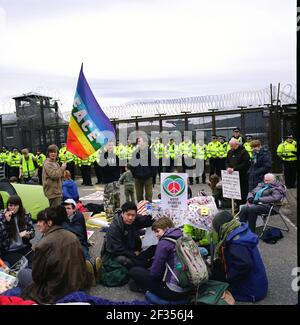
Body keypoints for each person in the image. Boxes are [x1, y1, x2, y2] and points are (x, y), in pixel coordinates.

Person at [19, 207, 89, 304]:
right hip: (76, 283)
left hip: (55, 291)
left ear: (50, 223)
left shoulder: (42, 245)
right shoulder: (72, 236)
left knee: (22, 273)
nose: (37, 225)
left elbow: (37, 277)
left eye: (40, 221)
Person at [211, 211, 268, 302]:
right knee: (218, 268)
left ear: (221, 228)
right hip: (257, 282)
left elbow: (243, 265)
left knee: (216, 282)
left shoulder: (236, 243)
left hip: (252, 291)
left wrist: (228, 277)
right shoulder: (240, 230)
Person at [129, 217, 190, 301]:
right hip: (189, 287)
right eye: (155, 232)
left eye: (157, 231)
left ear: (166, 228)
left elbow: (155, 274)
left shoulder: (164, 243)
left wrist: (148, 271)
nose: (156, 235)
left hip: (173, 291)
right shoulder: (184, 236)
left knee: (134, 271)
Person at [101, 202, 155, 269]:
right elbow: (116, 249)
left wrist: (158, 218)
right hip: (115, 255)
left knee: (153, 249)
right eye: (128, 215)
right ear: (122, 214)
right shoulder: (115, 228)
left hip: (131, 250)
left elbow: (146, 220)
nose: (130, 218)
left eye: (133, 215)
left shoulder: (134, 219)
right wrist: (133, 254)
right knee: (125, 260)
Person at [0, 195, 35, 267]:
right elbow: (2, 236)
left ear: (19, 206)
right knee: (23, 264)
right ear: (7, 206)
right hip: (9, 250)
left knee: (36, 260)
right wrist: (7, 222)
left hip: (24, 246)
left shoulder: (25, 215)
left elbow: (32, 231)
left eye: (15, 205)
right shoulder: (2, 216)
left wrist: (28, 235)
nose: (13, 208)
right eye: (10, 205)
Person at [97, 141, 121, 218]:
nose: (111, 147)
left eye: (112, 145)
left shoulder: (115, 156)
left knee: (117, 198)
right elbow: (104, 168)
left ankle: (117, 214)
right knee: (109, 200)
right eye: (109, 145)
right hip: (108, 181)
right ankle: (110, 216)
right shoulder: (103, 156)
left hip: (116, 180)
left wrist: (112, 167)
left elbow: (119, 166)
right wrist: (112, 167)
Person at [130, 136, 156, 202]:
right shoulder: (135, 153)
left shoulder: (150, 152)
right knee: (139, 197)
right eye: (138, 141)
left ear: (144, 142)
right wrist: (135, 175)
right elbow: (132, 165)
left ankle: (148, 211)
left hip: (148, 178)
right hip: (138, 178)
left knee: (149, 197)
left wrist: (153, 177)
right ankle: (140, 211)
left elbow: (154, 166)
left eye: (139, 141)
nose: (138, 142)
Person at [226, 139, 251, 206]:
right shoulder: (230, 152)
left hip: (242, 175)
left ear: (237, 144)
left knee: (243, 191)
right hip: (233, 176)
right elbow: (227, 162)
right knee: (235, 191)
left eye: (232, 146)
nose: (231, 147)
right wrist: (228, 167)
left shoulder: (244, 152)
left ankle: (242, 205)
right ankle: (236, 205)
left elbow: (245, 164)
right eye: (230, 146)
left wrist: (235, 168)